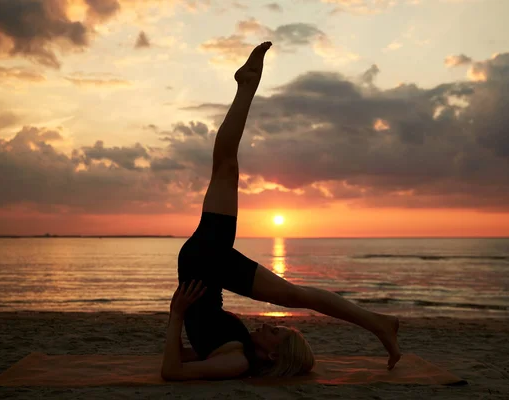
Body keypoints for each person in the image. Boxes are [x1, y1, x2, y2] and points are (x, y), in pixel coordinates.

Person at [161, 41, 401, 381]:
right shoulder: (239, 351)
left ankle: (246, 86)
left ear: (273, 354)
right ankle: (378, 323)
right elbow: (184, 357)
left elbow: (171, 372)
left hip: (204, 262)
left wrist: (176, 316)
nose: (265, 324)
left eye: (276, 333)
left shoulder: (237, 362)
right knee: (294, 293)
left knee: (226, 169)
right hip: (207, 264)